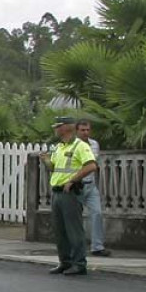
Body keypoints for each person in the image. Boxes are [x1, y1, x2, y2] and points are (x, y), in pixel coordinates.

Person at [39, 117, 98, 275]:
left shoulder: (80, 146)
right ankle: (65, 262)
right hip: (57, 191)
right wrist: (46, 160)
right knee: (60, 230)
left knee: (73, 229)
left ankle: (79, 263)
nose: (55, 129)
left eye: (57, 126)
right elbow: (55, 168)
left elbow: (91, 166)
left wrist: (73, 180)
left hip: (70, 193)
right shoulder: (59, 147)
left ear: (65, 127)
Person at [75, 119, 111, 257]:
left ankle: (97, 246)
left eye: (87, 130)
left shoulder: (94, 144)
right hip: (76, 184)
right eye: (82, 130)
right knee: (75, 218)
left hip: (90, 185)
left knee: (97, 213)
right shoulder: (73, 145)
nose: (85, 132)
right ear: (77, 131)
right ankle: (76, 245)